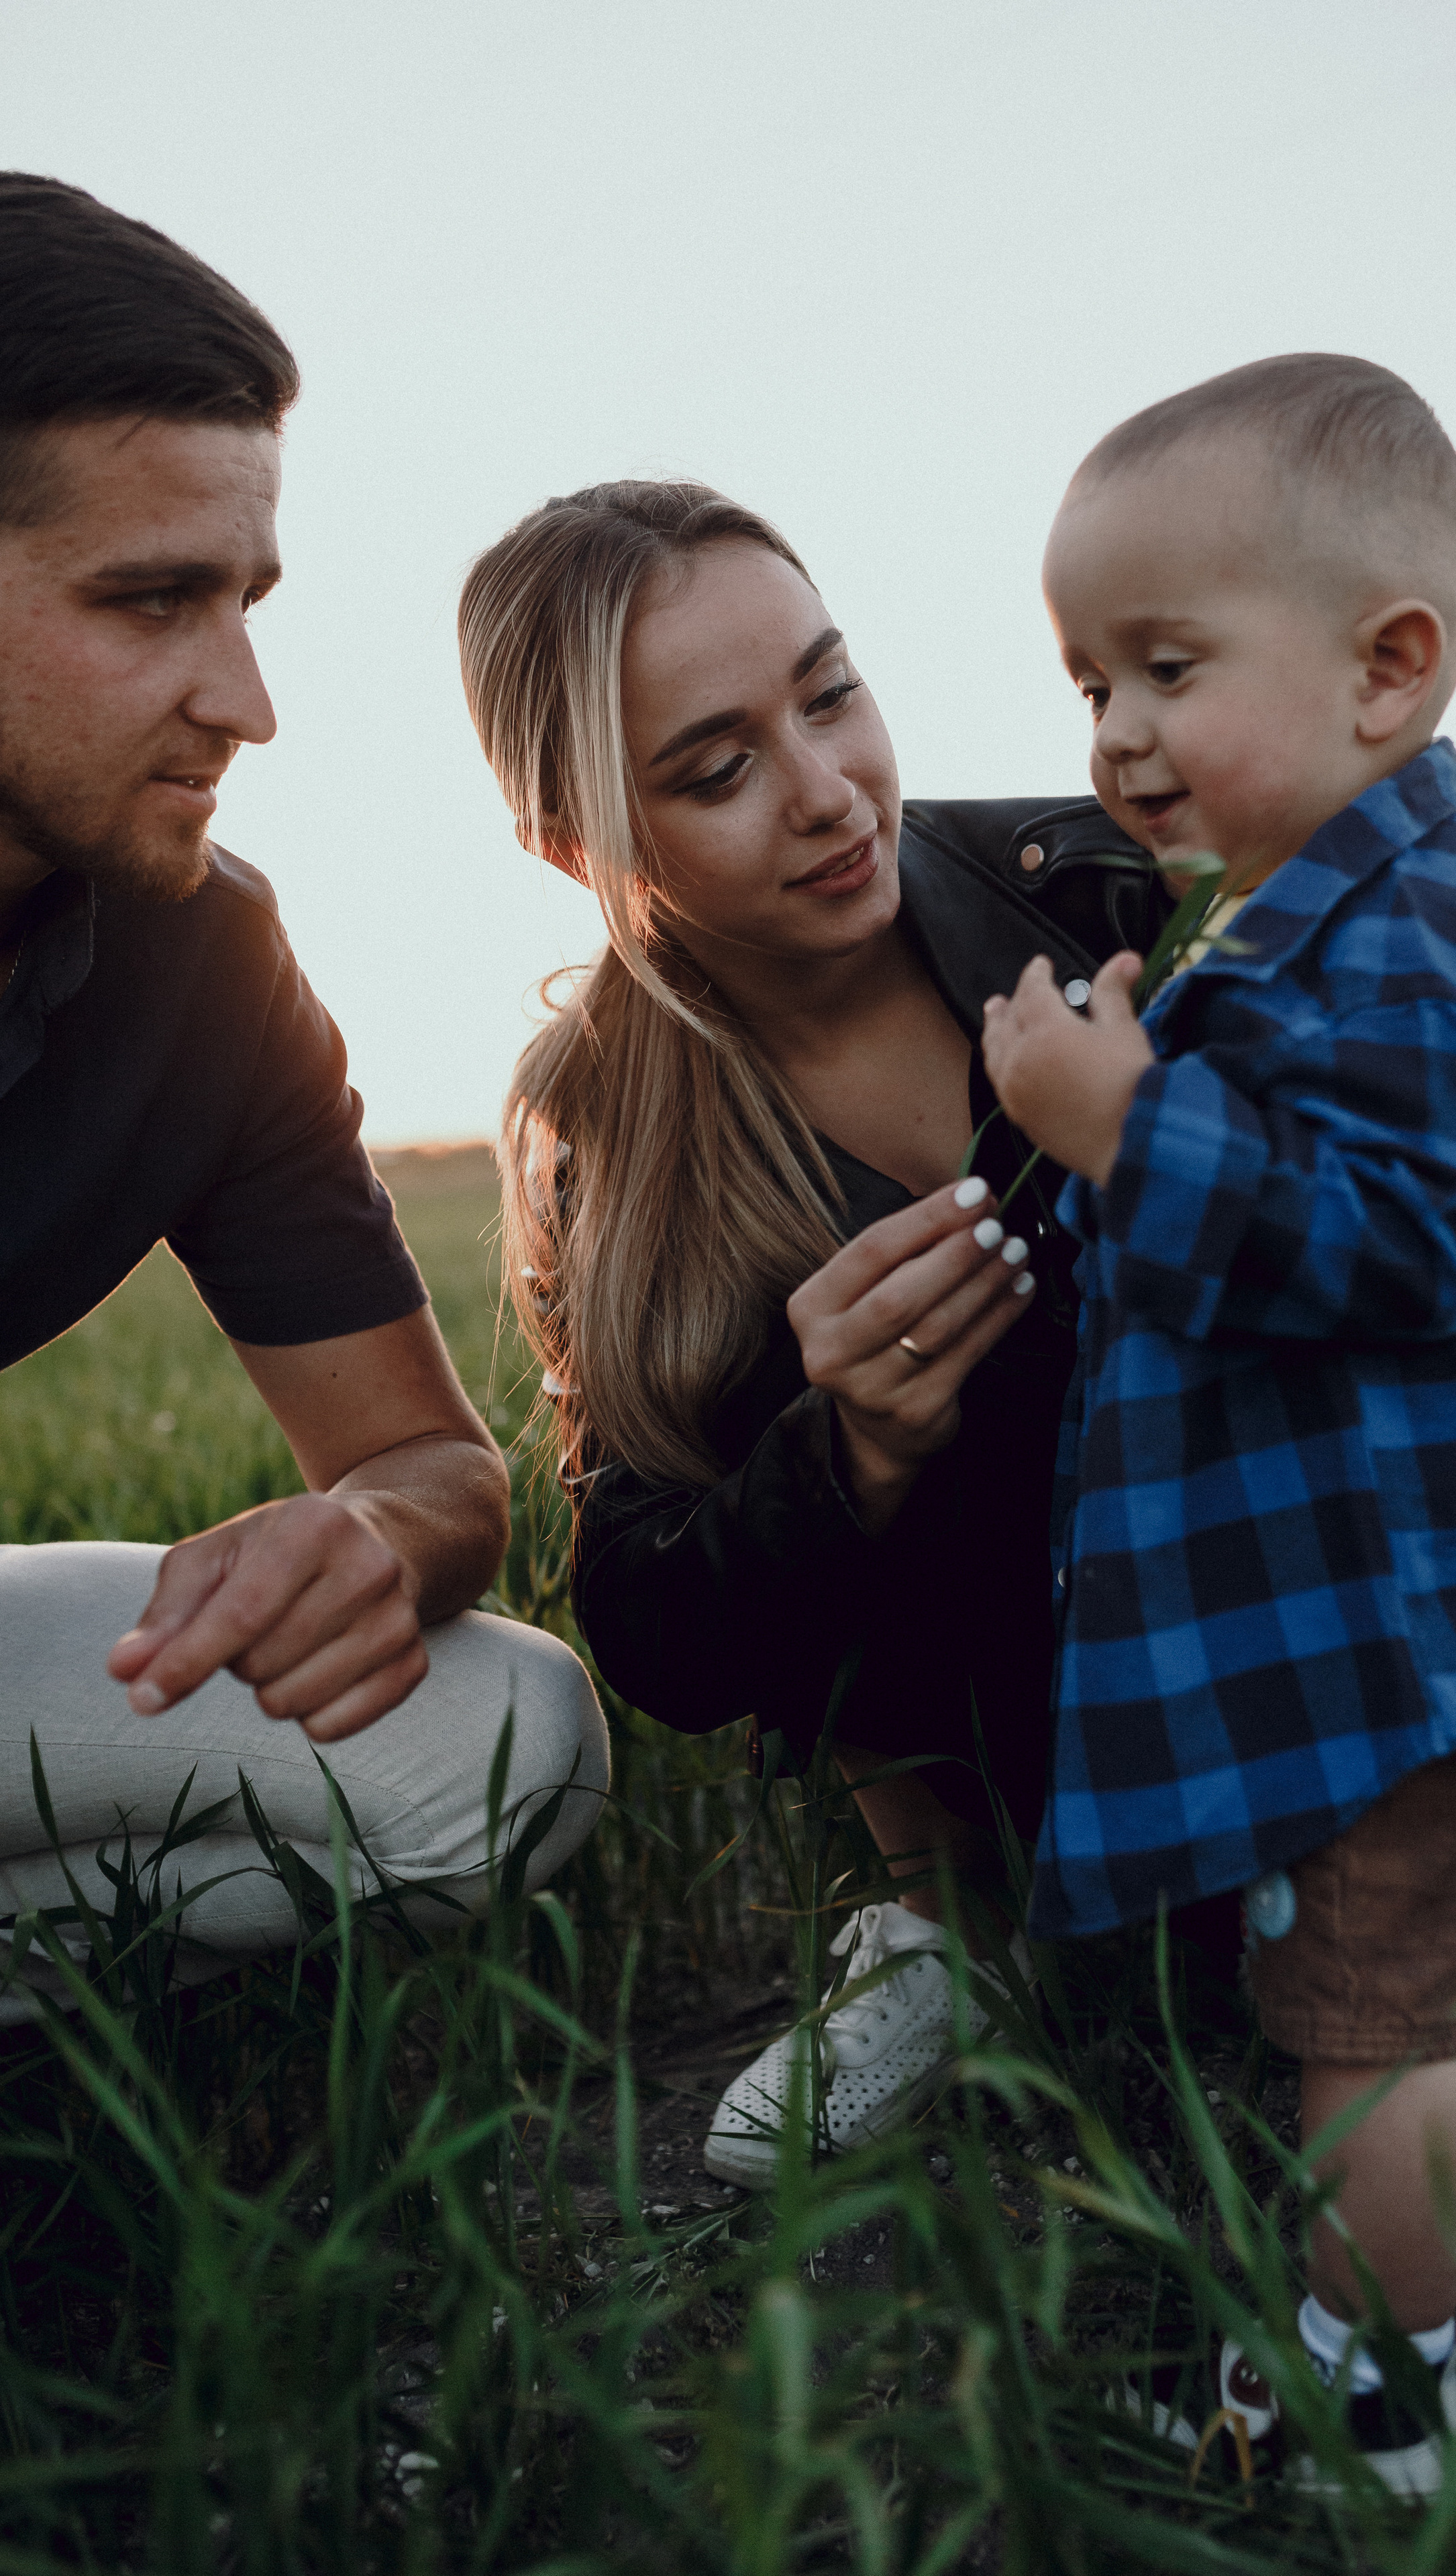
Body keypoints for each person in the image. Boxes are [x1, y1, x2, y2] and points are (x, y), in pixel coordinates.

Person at [980, 353, 1456, 2493]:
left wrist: (1129, 1129)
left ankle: (1359, 2402)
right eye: (1086, 680)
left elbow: (1394, 1244)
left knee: (1370, 2010)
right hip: (1453, 1609)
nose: (1112, 732)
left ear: (1390, 667)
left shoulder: (1433, 936)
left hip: (1396, 1634)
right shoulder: (1343, 930)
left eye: (1166, 666)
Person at [456, 478, 1197, 2184]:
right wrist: (843, 1452)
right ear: (577, 844)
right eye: (715, 771)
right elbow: (654, 1625)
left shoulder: (1099, 890)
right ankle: (956, 1934)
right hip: (986, 1718)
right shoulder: (603, 1139)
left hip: (1283, 1616)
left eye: (831, 692)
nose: (824, 793)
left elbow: (1421, 1199)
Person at [0, 176, 609, 2023]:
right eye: (152, 601)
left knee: (512, 1741)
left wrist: (363, 1538)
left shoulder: (213, 968)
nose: (247, 700)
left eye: (245, 599)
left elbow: (430, 1469)